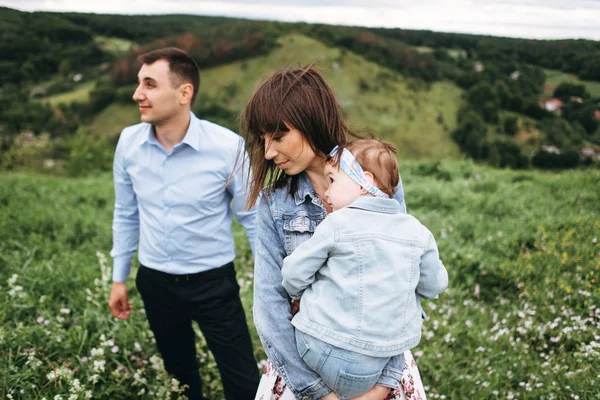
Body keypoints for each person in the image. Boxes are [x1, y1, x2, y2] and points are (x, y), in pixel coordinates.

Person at [239, 64, 427, 400]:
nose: (268, 153)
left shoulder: (375, 179)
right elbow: (269, 305)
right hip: (303, 369)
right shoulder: (274, 203)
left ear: (310, 120)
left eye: (278, 136)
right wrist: (318, 393)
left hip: (380, 365)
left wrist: (385, 384)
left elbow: (403, 285)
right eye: (263, 140)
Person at [108, 47, 260, 400]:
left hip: (214, 285)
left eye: (149, 84)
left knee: (242, 381)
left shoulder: (228, 147)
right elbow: (126, 213)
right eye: (138, 84)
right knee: (181, 378)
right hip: (155, 282)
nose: (137, 94)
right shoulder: (128, 143)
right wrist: (119, 277)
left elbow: (252, 220)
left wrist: (273, 286)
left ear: (184, 93)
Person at [281, 139, 449, 399]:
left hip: (317, 349)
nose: (326, 191)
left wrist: (298, 294)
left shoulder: (337, 222)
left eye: (333, 180)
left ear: (364, 182)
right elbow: (434, 286)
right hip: (375, 365)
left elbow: (293, 274)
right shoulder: (419, 233)